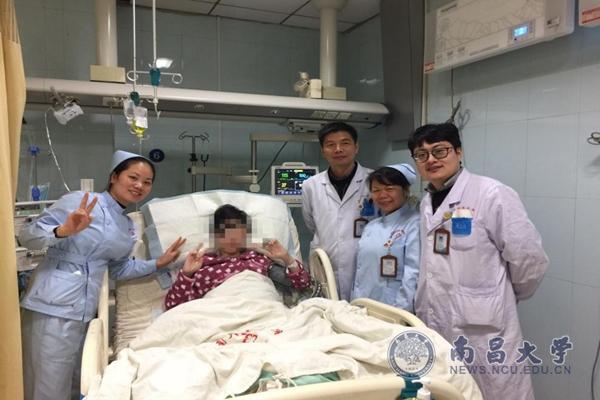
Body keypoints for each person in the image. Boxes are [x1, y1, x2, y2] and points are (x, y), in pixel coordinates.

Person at [19, 150, 187, 400]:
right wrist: (62, 231)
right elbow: (27, 236)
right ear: (114, 177)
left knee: (78, 383)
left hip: (86, 312)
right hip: (52, 306)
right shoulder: (81, 201)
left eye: (147, 182)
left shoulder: (126, 224)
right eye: (133, 177)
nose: (139, 186)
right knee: (47, 386)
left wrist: (158, 263)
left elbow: (118, 269)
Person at [407, 123, 548, 400]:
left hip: (485, 327)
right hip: (436, 318)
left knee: (495, 390)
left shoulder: (491, 193)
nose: (431, 159)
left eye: (440, 151)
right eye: (421, 155)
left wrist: (500, 295)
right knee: (449, 390)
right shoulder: (427, 202)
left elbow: (529, 259)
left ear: (458, 152)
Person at [165, 204, 310, 309]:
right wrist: (186, 274)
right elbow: (174, 306)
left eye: (237, 231)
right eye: (226, 230)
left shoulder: (259, 259)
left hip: (263, 308)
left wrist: (287, 258)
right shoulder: (204, 265)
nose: (232, 238)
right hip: (219, 313)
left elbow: (303, 284)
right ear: (215, 234)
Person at [301, 122, 374, 301]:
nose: (338, 149)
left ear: (356, 147)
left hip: (364, 265)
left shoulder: (374, 181)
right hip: (325, 265)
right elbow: (311, 223)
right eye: (331, 144)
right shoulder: (311, 185)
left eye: (345, 143)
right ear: (323, 151)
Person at [352, 164, 420, 311]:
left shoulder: (414, 223)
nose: (382, 195)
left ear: (405, 190)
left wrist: (400, 312)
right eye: (376, 190)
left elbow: (413, 274)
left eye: (389, 189)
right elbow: (361, 273)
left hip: (394, 308)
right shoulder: (371, 226)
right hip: (363, 305)